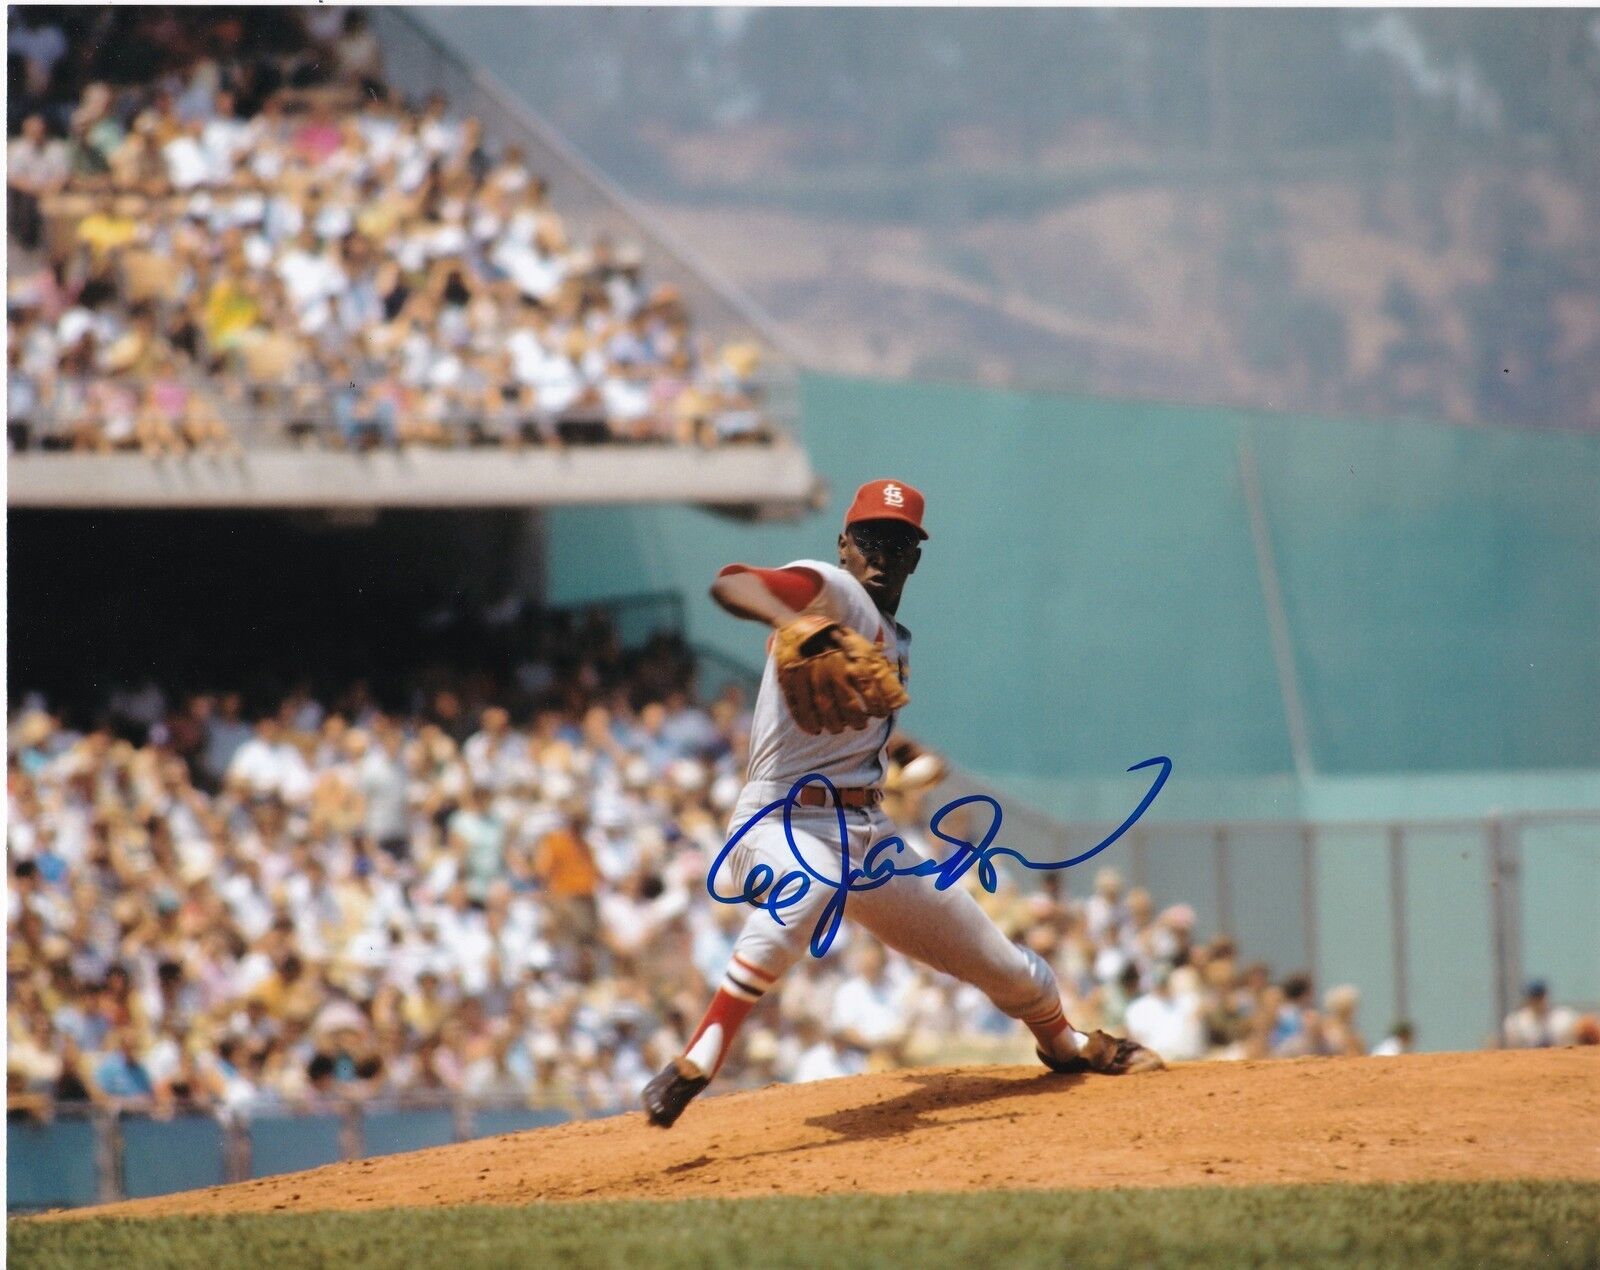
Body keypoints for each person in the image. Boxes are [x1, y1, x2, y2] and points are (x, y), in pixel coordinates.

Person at [642, 479, 1162, 1127]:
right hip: (781, 818)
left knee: (1009, 964)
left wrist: (905, 756)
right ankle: (698, 1060)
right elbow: (735, 586)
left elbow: (859, 716)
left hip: (866, 832)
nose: (881, 555)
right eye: (869, 539)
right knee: (806, 887)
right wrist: (795, 620)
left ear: (916, 558)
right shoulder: (828, 589)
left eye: (898, 543)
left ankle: (1064, 1043)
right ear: (843, 543)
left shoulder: (893, 636)